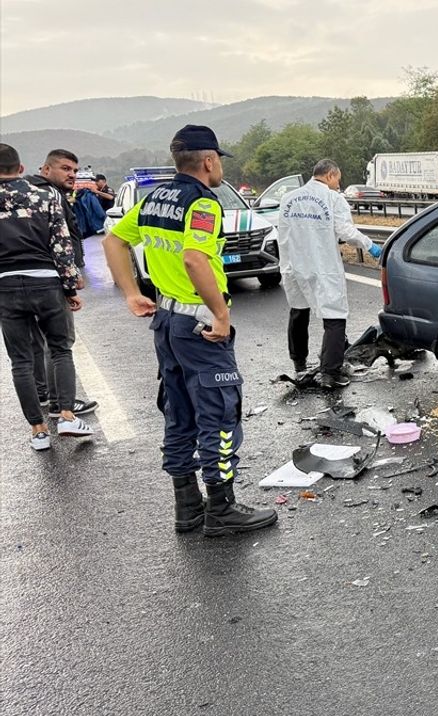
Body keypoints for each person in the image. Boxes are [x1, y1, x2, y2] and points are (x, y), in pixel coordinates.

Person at [101, 125, 276, 536]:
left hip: (166, 321)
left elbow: (112, 242)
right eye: (218, 162)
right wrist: (221, 315)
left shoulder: (153, 199)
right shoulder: (203, 203)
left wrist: (131, 294)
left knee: (179, 414)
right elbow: (197, 259)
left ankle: (188, 508)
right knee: (218, 412)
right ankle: (222, 509)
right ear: (210, 160)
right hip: (198, 324)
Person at [0, 143, 95, 450]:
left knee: (21, 361)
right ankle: (66, 415)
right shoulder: (46, 196)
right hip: (46, 282)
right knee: (60, 349)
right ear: (21, 169)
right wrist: (70, 287)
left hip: (6, 286)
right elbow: (61, 245)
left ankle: (38, 431)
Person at [277, 158, 380, 389]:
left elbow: (282, 234)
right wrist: (369, 245)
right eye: (338, 180)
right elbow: (345, 230)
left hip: (294, 265)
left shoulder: (288, 199)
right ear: (330, 175)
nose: (337, 185)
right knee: (334, 317)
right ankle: (329, 372)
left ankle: (299, 363)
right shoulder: (334, 199)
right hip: (322, 266)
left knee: (298, 312)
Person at [26, 149, 98, 417]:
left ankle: (43, 393)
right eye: (66, 169)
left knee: (37, 342)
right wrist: (71, 276)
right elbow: (63, 238)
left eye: (75, 171)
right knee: (59, 342)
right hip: (51, 279)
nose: (72, 175)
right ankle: (60, 403)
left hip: (21, 282)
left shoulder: (26, 192)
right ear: (46, 169)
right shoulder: (51, 195)